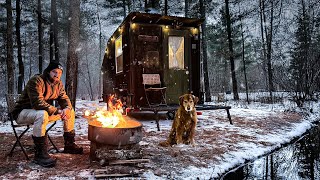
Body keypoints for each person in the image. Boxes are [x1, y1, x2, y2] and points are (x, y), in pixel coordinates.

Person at [12, 61, 83, 167]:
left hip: (42, 113)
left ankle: (69, 145)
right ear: (48, 71)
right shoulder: (37, 81)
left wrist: (66, 108)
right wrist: (58, 111)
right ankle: (40, 155)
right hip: (22, 113)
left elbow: (64, 98)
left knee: (70, 112)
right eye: (54, 72)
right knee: (41, 114)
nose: (57, 75)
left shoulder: (58, 84)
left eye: (59, 73)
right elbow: (37, 103)